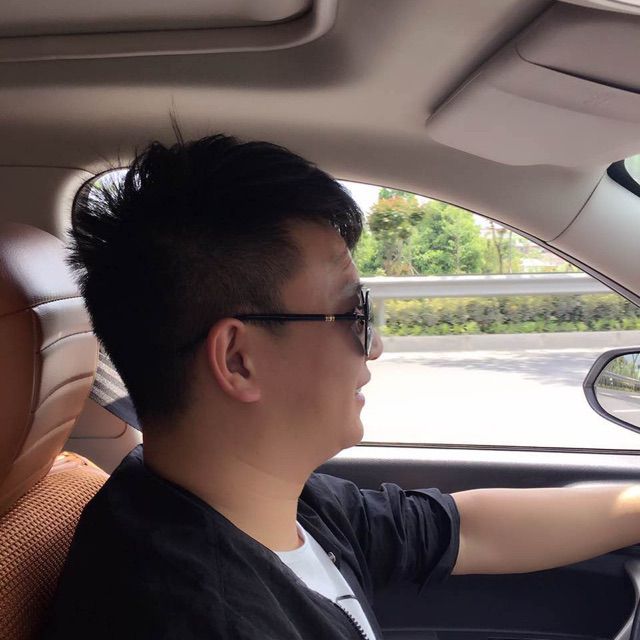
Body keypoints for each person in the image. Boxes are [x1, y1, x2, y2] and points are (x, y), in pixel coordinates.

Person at [43, 133, 640, 639]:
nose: (375, 345)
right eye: (355, 313)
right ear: (239, 360)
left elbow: (467, 528)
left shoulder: (262, 502)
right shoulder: (196, 614)